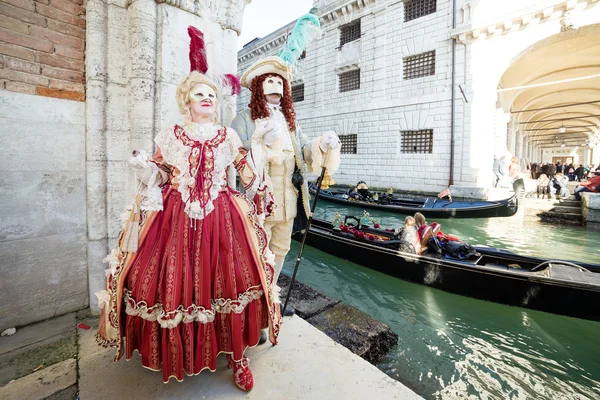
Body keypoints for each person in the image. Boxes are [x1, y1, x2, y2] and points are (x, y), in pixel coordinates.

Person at [95, 27, 281, 390]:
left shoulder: (228, 136)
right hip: (175, 217)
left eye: (211, 93)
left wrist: (259, 154)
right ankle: (179, 352)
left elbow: (245, 173)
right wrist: (144, 167)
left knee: (228, 282)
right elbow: (163, 175)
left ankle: (237, 355)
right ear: (187, 102)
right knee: (173, 284)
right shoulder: (169, 135)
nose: (206, 97)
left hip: (222, 218)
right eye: (198, 93)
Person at [232, 13, 340, 318]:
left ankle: (270, 298)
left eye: (280, 81)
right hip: (258, 202)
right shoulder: (243, 120)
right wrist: (258, 140)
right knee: (254, 254)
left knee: (280, 251)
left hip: (289, 201)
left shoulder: (290, 123)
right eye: (270, 80)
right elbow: (233, 155)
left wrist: (322, 144)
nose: (276, 85)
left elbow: (304, 153)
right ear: (257, 86)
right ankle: (249, 307)